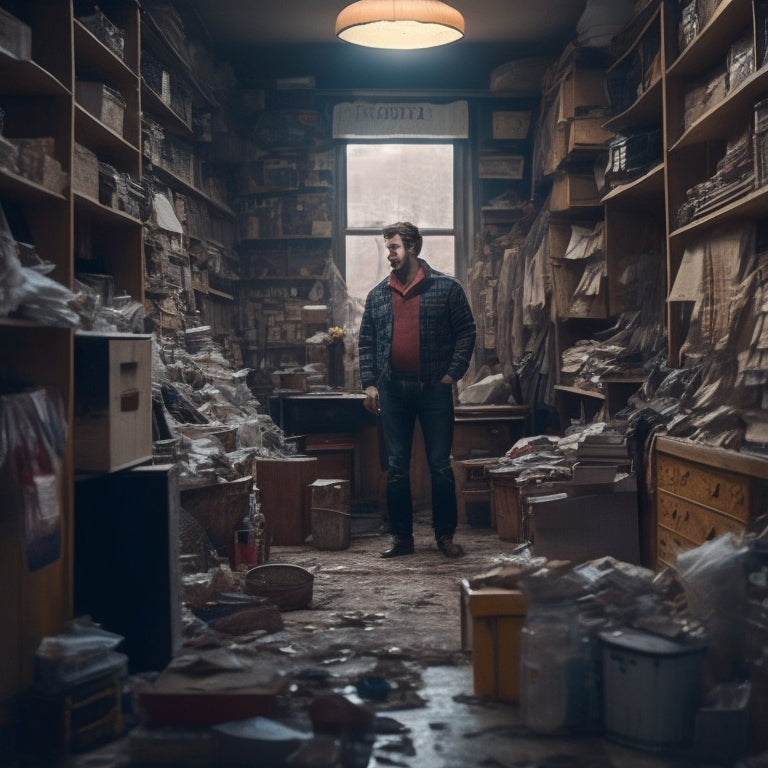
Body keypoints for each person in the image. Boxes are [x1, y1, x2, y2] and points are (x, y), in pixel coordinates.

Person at [358, 221, 476, 558]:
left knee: (439, 465)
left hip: (434, 390)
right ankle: (402, 540)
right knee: (396, 468)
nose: (389, 255)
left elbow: (467, 333)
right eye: (387, 248)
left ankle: (445, 537)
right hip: (393, 390)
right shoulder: (378, 295)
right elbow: (366, 342)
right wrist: (369, 383)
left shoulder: (447, 288)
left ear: (413, 248)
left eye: (394, 247)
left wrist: (451, 376)